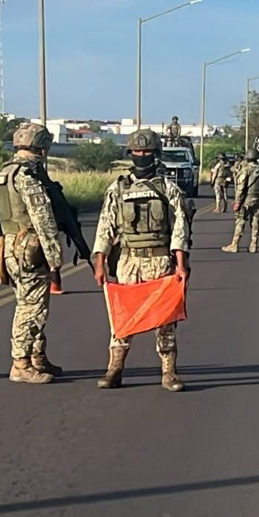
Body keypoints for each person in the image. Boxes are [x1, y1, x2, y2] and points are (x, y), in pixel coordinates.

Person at [92, 129, 191, 392]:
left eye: (147, 151)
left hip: (160, 261)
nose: (142, 155)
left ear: (156, 153)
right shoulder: (118, 188)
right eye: (137, 151)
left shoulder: (168, 188)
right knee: (123, 318)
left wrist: (181, 264)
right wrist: (100, 262)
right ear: (130, 153)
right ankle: (115, 369)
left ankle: (169, 372)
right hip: (128, 262)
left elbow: (180, 227)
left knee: (165, 320)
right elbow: (106, 226)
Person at [0, 123, 63, 384]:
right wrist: (55, 257)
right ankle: (21, 364)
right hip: (29, 246)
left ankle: (37, 357)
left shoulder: (5, 172)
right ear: (42, 148)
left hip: (11, 244)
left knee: (31, 301)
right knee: (31, 307)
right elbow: (42, 218)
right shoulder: (28, 176)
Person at [223, 147, 259, 254]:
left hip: (247, 199)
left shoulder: (246, 170)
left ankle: (234, 245)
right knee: (255, 221)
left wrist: (237, 201)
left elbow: (241, 187)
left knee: (240, 221)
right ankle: (253, 244)